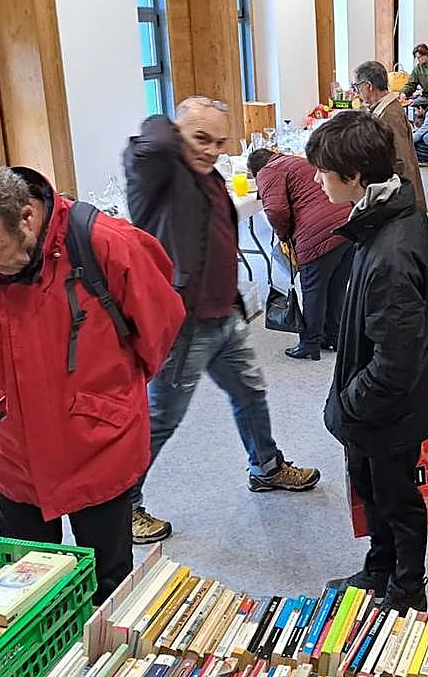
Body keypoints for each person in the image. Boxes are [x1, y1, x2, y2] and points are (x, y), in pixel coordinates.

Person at [0, 167, 186, 603]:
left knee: (108, 585)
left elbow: (158, 331)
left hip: (97, 445)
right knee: (21, 588)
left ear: (26, 217)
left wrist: (103, 397)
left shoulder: (109, 245)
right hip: (10, 452)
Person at [123, 98, 322, 544]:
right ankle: (123, 506)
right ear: (176, 134)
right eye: (200, 139)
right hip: (182, 325)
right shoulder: (158, 175)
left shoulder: (208, 176)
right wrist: (176, 126)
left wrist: (233, 300)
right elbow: (147, 144)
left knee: (250, 394)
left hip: (222, 315)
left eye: (219, 142)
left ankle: (266, 468)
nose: (212, 150)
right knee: (160, 420)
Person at [308, 112, 428, 613]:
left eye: (324, 171)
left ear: (355, 176)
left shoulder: (392, 249)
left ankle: (408, 589)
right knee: (374, 490)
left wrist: (348, 404)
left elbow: (396, 363)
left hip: (389, 409)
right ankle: (380, 568)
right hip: (383, 408)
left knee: (397, 501)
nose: (318, 180)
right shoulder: (385, 215)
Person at [248, 148, 354, 361]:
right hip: (347, 223)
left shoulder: (268, 172)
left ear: (255, 170)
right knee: (336, 285)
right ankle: (332, 336)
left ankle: (309, 344)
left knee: (313, 289)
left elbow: (276, 211)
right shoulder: (295, 161)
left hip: (317, 232)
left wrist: (284, 236)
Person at [355, 60, 427, 209]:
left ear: (368, 86)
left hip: (400, 192)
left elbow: (400, 159)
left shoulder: (389, 115)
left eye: (358, 87)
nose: (358, 92)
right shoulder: (384, 109)